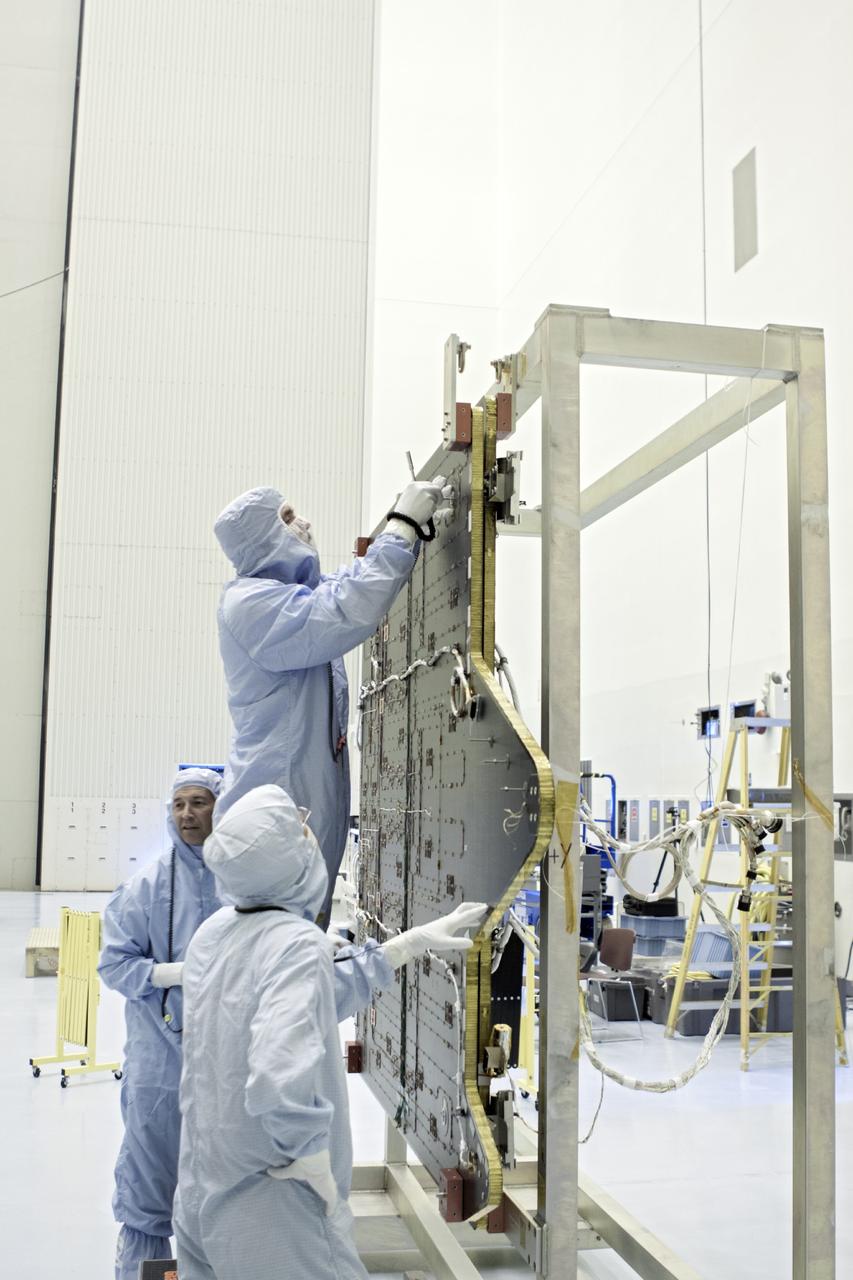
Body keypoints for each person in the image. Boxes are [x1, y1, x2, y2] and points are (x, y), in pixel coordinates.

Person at [174, 784, 486, 1280]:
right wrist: (309, 1159)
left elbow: (310, 1002)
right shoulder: (296, 943)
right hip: (276, 1202)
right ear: (282, 859)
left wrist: (408, 945)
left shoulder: (216, 931)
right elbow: (277, 1075)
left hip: (202, 1186)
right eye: (301, 833)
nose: (311, 840)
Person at [213, 476, 447, 926]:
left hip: (296, 834)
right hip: (272, 837)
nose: (304, 523)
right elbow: (345, 609)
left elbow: (344, 589)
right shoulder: (250, 605)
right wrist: (401, 525)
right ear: (261, 538)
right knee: (275, 971)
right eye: (286, 519)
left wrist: (404, 533)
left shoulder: (287, 597)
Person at [98, 766, 224, 1280]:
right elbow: (113, 964)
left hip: (225, 1065)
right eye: (179, 804)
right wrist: (168, 973)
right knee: (149, 1190)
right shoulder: (146, 887)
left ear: (220, 808)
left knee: (223, 1191)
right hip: (159, 1066)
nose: (188, 814)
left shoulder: (242, 882)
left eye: (199, 802)